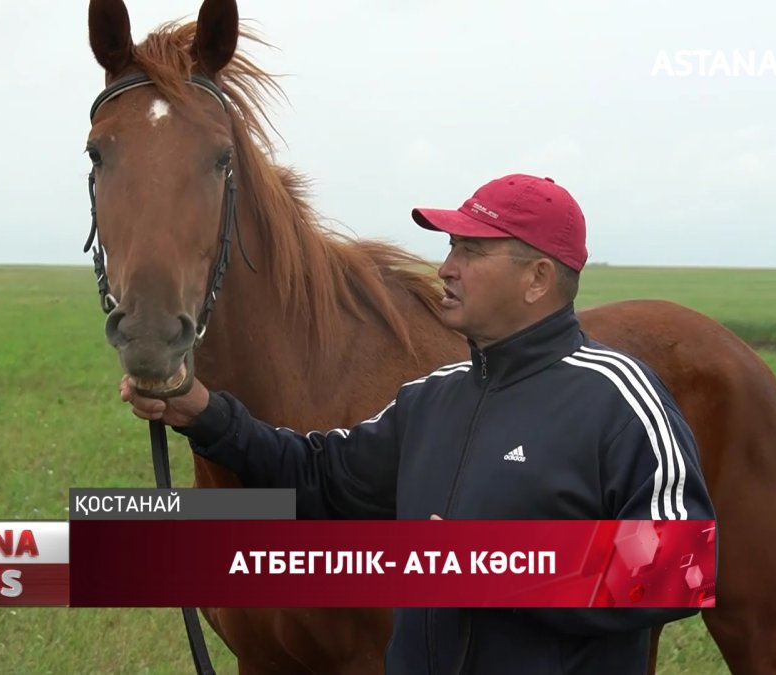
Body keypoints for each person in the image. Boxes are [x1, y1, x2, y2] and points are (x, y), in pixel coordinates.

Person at [121, 173, 716, 675]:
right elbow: (321, 474)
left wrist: (486, 566)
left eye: (471, 251)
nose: (446, 268)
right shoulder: (432, 399)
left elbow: (678, 566)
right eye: (451, 247)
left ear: (537, 279)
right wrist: (204, 413)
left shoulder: (619, 399)